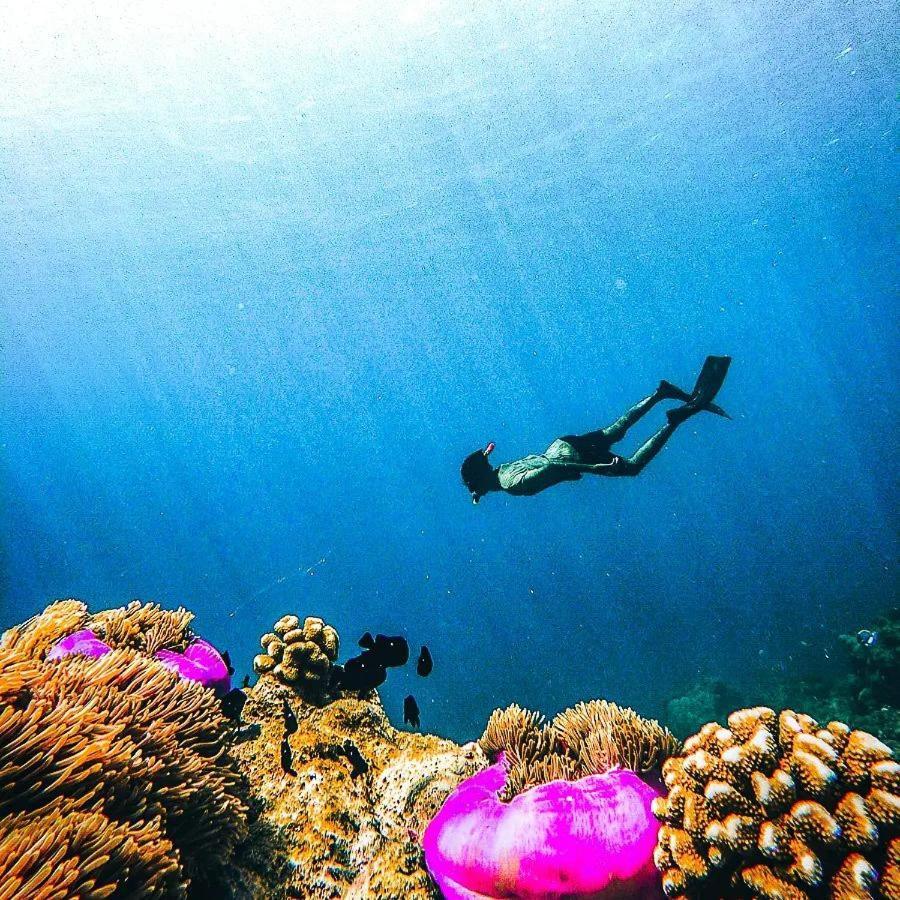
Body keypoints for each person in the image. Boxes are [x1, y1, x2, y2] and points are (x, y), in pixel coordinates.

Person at [460, 356, 731, 503]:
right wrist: (484, 459)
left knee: (633, 466)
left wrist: (594, 469)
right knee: (615, 431)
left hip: (568, 459)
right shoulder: (503, 469)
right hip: (560, 445)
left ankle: (674, 421)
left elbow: (554, 468)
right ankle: (661, 393)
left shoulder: (510, 484)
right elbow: (543, 462)